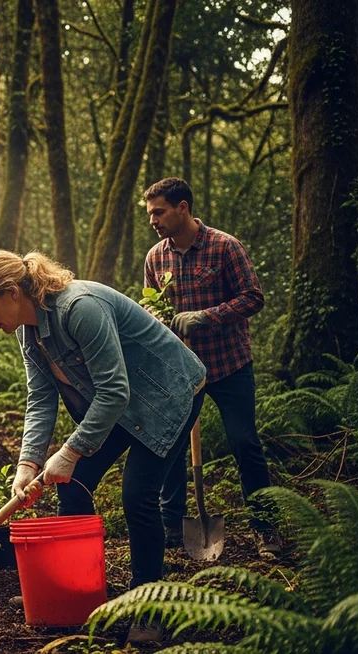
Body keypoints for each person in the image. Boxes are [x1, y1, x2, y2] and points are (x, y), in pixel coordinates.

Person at [0, 250, 205, 643]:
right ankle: (79, 592)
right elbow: (40, 399)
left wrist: (71, 450)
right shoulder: (29, 333)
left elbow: (114, 390)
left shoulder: (79, 307)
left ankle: (149, 606)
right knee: (71, 485)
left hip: (167, 394)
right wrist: (28, 463)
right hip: (117, 405)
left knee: (138, 495)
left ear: (11, 292)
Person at [142, 178, 280, 555]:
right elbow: (151, 305)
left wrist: (207, 316)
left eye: (159, 211)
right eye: (150, 213)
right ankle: (172, 523)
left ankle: (265, 526)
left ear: (182, 207)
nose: (153, 219)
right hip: (180, 371)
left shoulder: (224, 246)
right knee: (170, 446)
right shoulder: (156, 257)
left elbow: (253, 298)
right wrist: (157, 315)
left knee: (244, 442)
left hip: (228, 365)